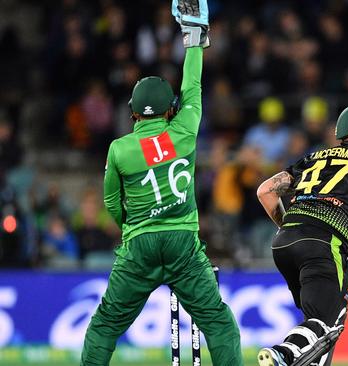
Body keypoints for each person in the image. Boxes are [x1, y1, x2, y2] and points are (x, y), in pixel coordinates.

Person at [80, 2, 242, 365]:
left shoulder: (120, 149)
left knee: (104, 326)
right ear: (171, 108)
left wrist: (134, 227)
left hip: (139, 245)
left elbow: (110, 202)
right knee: (219, 323)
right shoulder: (184, 132)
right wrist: (194, 42)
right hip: (183, 243)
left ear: (133, 113)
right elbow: (193, 85)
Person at [256, 103, 348, 366]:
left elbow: (265, 191)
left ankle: (294, 353)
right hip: (323, 244)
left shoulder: (313, 157)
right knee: (328, 321)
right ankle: (283, 354)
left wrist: (289, 226)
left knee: (320, 328)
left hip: (284, 243)